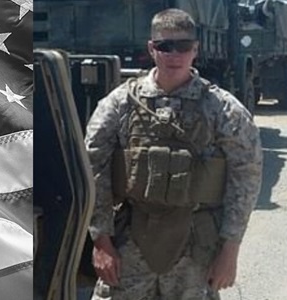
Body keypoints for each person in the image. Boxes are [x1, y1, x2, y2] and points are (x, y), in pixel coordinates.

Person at [84, 8, 262, 300]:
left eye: (183, 46)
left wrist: (230, 250)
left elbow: (247, 175)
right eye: (165, 46)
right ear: (152, 49)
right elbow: (94, 168)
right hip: (130, 244)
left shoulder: (222, 108)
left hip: (195, 248)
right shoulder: (119, 104)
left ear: (195, 49)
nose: (174, 54)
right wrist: (101, 241)